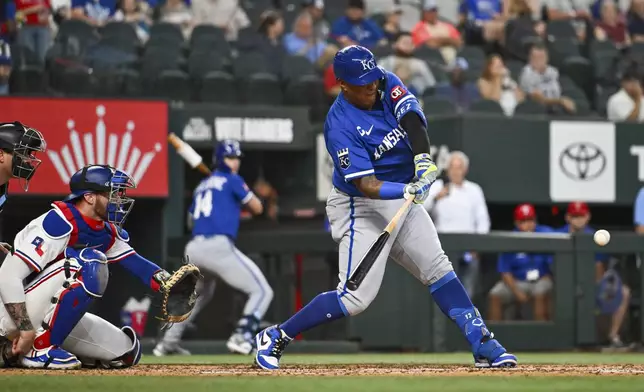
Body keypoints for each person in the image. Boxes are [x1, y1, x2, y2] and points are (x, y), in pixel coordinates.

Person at [253, 45, 517, 371]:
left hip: (400, 198)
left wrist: (422, 158)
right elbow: (367, 185)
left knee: (438, 268)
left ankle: (482, 342)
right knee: (354, 299)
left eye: (373, 79)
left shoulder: (385, 82)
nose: (371, 87)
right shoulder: (339, 124)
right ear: (342, 84)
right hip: (357, 205)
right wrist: (407, 188)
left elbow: (411, 119)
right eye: (363, 83)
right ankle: (277, 335)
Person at [0, 165, 195, 369]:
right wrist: (25, 329)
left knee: (126, 351)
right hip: (14, 313)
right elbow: (8, 277)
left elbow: (135, 263)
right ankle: (41, 348)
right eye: (113, 194)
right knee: (91, 262)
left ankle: (30, 349)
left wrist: (166, 282)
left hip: (48, 316)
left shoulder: (103, 231)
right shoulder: (57, 221)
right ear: (90, 197)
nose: (119, 201)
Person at [154, 140, 273, 356]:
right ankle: (242, 336)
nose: (234, 162)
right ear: (221, 160)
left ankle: (167, 344)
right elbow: (257, 207)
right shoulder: (232, 180)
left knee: (198, 295)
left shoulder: (202, 185)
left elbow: (191, 219)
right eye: (230, 157)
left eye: (236, 157)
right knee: (262, 290)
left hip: (194, 248)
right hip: (217, 246)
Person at [557, 201, 630, 348]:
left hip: (591, 283)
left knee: (624, 292)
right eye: (575, 216)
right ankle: (555, 339)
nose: (578, 219)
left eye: (581, 216)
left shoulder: (594, 236)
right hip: (562, 283)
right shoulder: (558, 234)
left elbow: (599, 267)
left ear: (588, 216)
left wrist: (594, 286)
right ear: (567, 217)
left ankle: (612, 336)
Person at [423, 151, 490, 297]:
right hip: (443, 247)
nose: (455, 171)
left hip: (468, 247)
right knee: (443, 288)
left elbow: (483, 220)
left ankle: (464, 317)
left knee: (467, 290)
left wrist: (477, 246)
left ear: (465, 170)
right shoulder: (437, 187)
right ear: (447, 169)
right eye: (452, 167)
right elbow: (421, 209)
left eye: (459, 167)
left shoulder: (474, 190)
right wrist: (436, 198)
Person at [488, 203, 553, 322]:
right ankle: (491, 338)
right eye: (523, 221)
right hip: (518, 282)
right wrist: (516, 292)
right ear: (517, 223)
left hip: (541, 279)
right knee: (495, 294)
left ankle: (542, 337)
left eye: (530, 220)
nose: (528, 224)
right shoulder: (510, 239)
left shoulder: (545, 233)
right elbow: (505, 272)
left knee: (540, 292)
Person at [519, 44, 576, 115]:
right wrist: (560, 101)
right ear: (530, 59)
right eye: (536, 58)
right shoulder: (527, 74)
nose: (540, 61)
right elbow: (537, 99)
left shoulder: (553, 72)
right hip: (538, 111)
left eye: (542, 57)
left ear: (547, 58)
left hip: (557, 108)